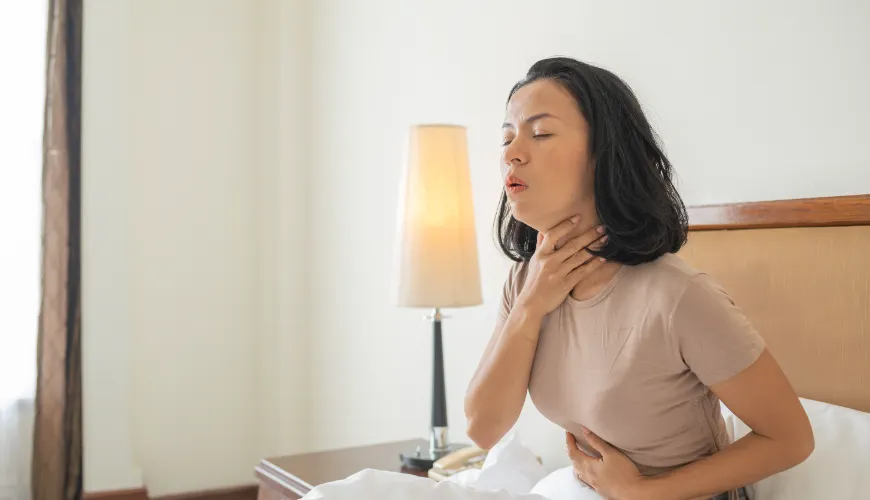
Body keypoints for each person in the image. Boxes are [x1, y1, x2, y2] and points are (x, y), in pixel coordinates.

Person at [464, 57, 814, 500]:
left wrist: (647, 491)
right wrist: (532, 304)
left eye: (541, 133)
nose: (513, 152)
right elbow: (482, 427)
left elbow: (791, 438)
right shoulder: (525, 283)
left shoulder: (677, 297)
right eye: (507, 137)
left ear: (603, 154)